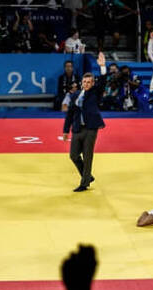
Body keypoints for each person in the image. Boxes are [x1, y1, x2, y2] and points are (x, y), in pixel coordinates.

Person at [63, 52, 108, 192]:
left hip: (90, 128)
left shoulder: (95, 92)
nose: (87, 84)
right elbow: (70, 113)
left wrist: (102, 67)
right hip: (77, 128)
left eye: (89, 82)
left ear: (92, 83)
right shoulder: (75, 95)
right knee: (73, 155)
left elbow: (103, 81)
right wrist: (65, 130)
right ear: (81, 83)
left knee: (88, 155)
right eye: (85, 82)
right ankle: (87, 176)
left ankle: (84, 183)